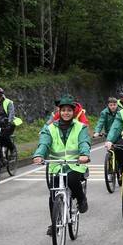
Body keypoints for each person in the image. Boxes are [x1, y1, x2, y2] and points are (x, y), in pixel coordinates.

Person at [32, 95, 90, 235]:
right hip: (56, 166)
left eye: (69, 110)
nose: (66, 113)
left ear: (73, 112)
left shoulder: (80, 127)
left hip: (75, 164)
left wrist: (84, 154)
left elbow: (84, 142)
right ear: (59, 111)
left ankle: (81, 199)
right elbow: (44, 143)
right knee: (53, 193)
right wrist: (39, 155)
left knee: (72, 179)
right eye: (63, 110)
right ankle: (55, 222)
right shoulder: (50, 128)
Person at [0, 87, 22, 153]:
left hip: (8, 124)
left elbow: (11, 113)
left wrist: (9, 122)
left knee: (4, 136)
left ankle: (12, 148)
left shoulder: (8, 102)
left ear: (1, 96)